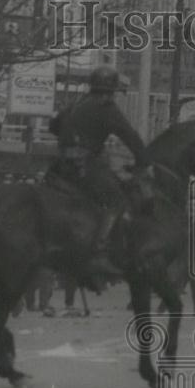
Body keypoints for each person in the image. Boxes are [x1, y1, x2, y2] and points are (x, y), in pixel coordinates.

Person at [48, 65, 149, 271]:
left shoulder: (78, 102)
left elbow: (53, 127)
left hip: (60, 166)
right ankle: (100, 252)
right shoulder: (107, 108)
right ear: (111, 90)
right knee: (116, 201)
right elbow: (129, 136)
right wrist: (144, 161)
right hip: (84, 167)